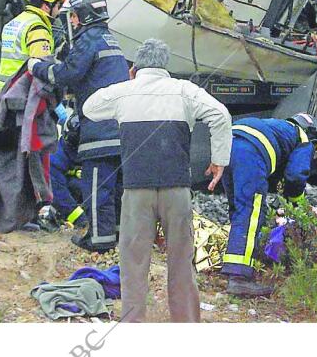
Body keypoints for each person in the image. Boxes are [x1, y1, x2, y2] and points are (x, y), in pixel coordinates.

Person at [82, 38, 232, 323]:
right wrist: (218, 160)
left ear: (135, 67)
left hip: (136, 190)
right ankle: (185, 324)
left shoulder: (123, 92)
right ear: (166, 66)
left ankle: (133, 323)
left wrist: (127, 85)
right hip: (177, 189)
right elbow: (220, 115)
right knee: (181, 261)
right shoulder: (184, 91)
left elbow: (90, 107)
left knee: (133, 261)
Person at [30, 0, 129, 252]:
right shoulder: (111, 40)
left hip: (99, 131)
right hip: (118, 130)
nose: (71, 21)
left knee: (97, 187)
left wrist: (36, 67)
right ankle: (116, 234)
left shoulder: (90, 41)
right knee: (116, 188)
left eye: (73, 16)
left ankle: (99, 239)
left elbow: (67, 74)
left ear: (84, 16)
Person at [222, 112, 317, 297]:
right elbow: (296, 175)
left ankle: (233, 264)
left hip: (227, 144)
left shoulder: (277, 126)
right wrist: (296, 203)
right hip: (250, 152)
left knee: (239, 210)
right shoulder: (303, 137)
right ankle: (238, 278)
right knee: (252, 211)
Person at [0, 0, 65, 91]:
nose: (58, 11)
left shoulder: (16, 22)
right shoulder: (37, 29)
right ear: (47, 6)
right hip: (23, 93)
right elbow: (42, 69)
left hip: (6, 89)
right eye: (58, 6)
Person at [47, 112, 88, 229]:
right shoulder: (56, 157)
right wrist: (80, 219)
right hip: (68, 205)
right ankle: (58, 218)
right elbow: (57, 193)